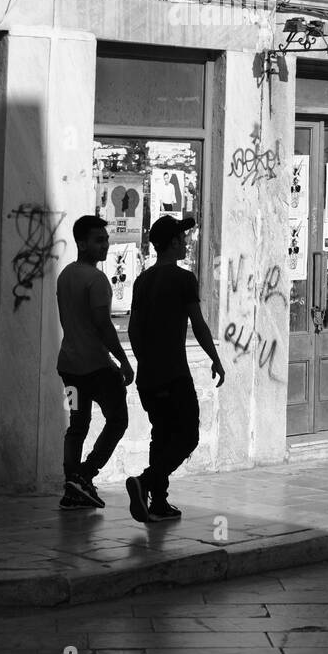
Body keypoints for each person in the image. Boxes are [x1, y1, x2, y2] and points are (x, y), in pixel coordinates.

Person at [126, 215, 224, 523]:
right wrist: (215, 359)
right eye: (182, 239)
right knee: (186, 438)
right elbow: (199, 325)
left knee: (162, 435)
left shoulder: (142, 281)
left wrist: (146, 362)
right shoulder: (184, 279)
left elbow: (132, 331)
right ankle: (145, 482)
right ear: (171, 244)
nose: (186, 243)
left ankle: (158, 502)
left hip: (149, 376)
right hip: (174, 373)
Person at [56, 215, 135, 510]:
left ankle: (71, 483)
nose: (105, 244)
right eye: (99, 240)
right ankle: (85, 475)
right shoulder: (96, 279)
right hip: (97, 369)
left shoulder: (65, 275)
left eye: (106, 239)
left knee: (77, 425)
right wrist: (124, 361)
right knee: (118, 420)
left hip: (69, 368)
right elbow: (104, 325)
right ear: (81, 243)